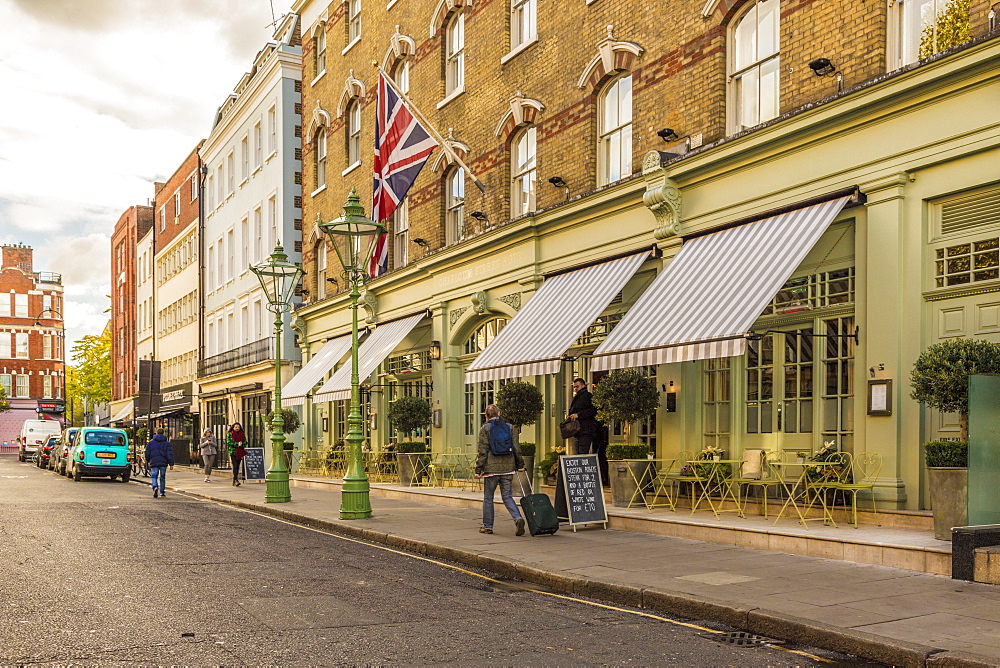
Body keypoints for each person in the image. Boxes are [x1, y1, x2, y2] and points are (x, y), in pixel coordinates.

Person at [474, 404, 526, 536]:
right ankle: (517, 518)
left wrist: (478, 469)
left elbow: (483, 451)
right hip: (508, 467)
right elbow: (516, 448)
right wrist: (520, 464)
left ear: (486, 416)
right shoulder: (509, 427)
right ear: (499, 413)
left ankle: (488, 526)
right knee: (507, 496)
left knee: (488, 498)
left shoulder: (485, 428)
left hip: (491, 468)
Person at [568, 377, 598, 456]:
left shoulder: (588, 396)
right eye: (574, 387)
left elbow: (593, 410)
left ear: (583, 386)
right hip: (577, 430)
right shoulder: (577, 397)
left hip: (585, 430)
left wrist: (578, 415)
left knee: (582, 454)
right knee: (578, 453)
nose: (575, 389)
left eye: (577, 386)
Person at [144, 428, 174, 498]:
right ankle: (162, 492)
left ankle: (155, 487)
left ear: (156, 433)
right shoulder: (167, 443)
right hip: (163, 462)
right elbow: (169, 454)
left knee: (154, 476)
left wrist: (147, 460)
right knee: (162, 477)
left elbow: (147, 452)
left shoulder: (151, 443)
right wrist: (171, 464)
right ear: (163, 433)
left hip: (154, 461)